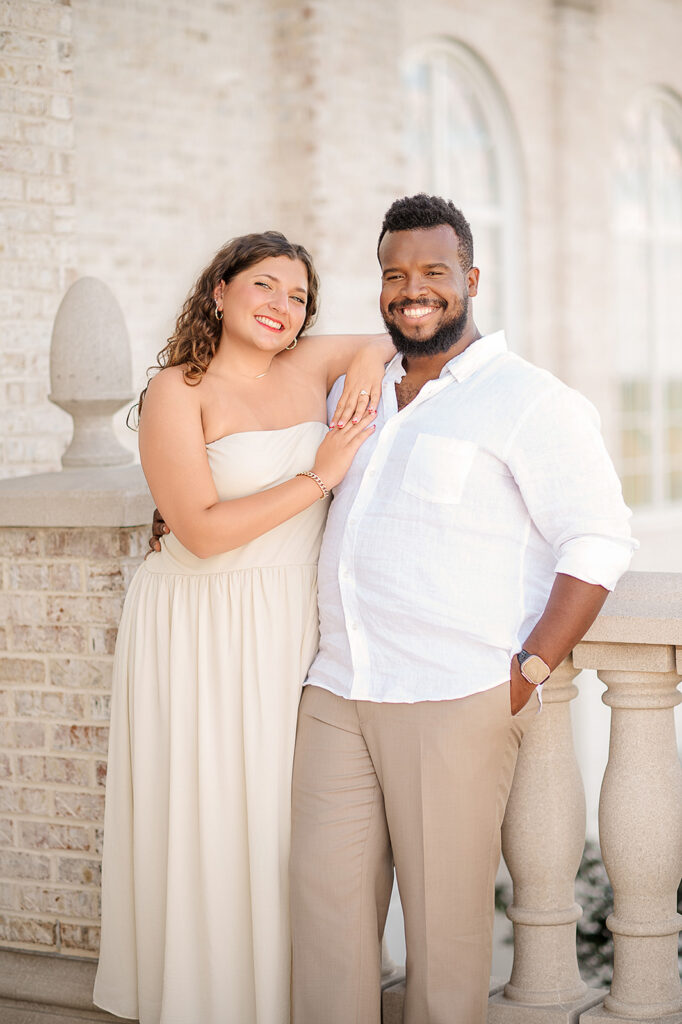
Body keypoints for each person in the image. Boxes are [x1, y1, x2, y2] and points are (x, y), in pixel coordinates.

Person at [289, 195, 637, 1024]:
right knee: (323, 926)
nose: (413, 290)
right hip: (337, 688)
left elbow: (598, 539)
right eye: (394, 275)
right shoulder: (359, 392)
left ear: (471, 280)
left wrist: (531, 667)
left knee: (444, 947)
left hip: (453, 695)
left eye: (434, 272)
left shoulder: (531, 400)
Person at [93, 230, 394, 1024]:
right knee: (214, 813)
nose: (282, 306)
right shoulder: (178, 390)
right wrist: (321, 474)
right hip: (199, 624)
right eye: (265, 285)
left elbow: (383, 337)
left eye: (298, 297)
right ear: (219, 290)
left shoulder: (306, 363)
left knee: (287, 820)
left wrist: (367, 364)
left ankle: (291, 997)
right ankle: (209, 999)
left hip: (291, 621)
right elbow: (200, 530)